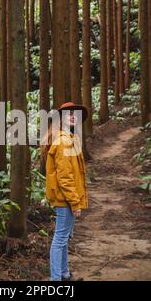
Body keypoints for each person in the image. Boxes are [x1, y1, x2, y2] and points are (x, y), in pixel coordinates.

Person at [41, 102, 89, 281]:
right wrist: (75, 202)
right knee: (60, 239)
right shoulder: (64, 141)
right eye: (68, 114)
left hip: (65, 199)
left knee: (63, 237)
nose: (73, 116)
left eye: (75, 114)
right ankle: (56, 279)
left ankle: (64, 274)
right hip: (65, 199)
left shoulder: (68, 138)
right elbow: (65, 177)